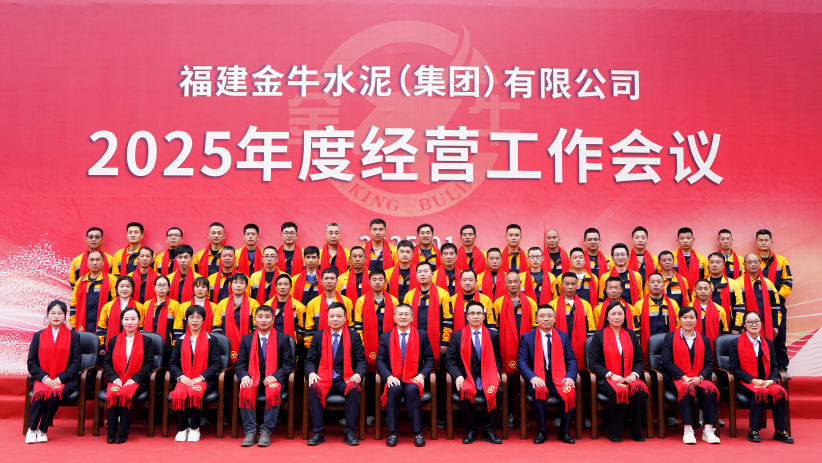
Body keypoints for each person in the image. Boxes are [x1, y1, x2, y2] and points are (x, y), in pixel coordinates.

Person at [305, 302, 366, 446]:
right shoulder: (318, 336)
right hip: (322, 377)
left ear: (345, 318)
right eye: (331, 316)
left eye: (339, 316)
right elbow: (309, 360)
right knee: (314, 388)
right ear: (327, 317)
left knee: (354, 389)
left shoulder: (354, 336)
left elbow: (361, 360)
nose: (335, 319)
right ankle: (318, 433)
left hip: (344, 379)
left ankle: (349, 432)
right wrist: (311, 373)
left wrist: (358, 373)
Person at [728, 311, 793, 443]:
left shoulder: (768, 343)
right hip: (745, 381)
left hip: (765, 381)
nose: (754, 324)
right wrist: (753, 380)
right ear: (744, 325)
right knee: (760, 392)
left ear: (761, 323)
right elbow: (734, 368)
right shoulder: (736, 342)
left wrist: (772, 380)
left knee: (779, 392)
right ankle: (753, 430)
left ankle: (780, 431)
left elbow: (774, 366)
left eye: (757, 321)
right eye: (750, 322)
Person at [587, 302, 648, 443]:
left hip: (628, 376)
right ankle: (614, 430)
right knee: (619, 391)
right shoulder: (599, 336)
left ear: (624, 317)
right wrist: (611, 375)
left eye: (620, 314)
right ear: (607, 317)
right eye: (613, 314)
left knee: (640, 391)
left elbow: (639, 361)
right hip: (607, 378)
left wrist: (634, 374)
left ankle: (636, 430)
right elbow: (593, 363)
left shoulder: (631, 335)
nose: (617, 317)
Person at [516, 304, 577, 444]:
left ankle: (564, 432)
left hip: (559, 378)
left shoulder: (563, 336)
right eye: (542, 316)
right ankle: (542, 431)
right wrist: (532, 377)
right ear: (536, 319)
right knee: (539, 391)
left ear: (554, 318)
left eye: (549, 316)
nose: (546, 319)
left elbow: (571, 359)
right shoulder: (527, 337)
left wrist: (570, 377)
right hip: (538, 377)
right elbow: (521, 362)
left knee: (569, 390)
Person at [376, 303, 435, 447]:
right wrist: (388, 376)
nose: (403, 317)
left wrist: (421, 376)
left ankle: (418, 432)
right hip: (394, 377)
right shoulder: (386, 336)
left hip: (414, 377)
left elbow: (430, 360)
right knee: (394, 389)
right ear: (394, 318)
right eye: (400, 314)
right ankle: (393, 432)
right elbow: (380, 360)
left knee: (412, 390)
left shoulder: (421, 335)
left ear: (412, 318)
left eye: (406, 314)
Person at [236, 305, 296, 447]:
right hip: (253, 378)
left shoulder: (283, 339)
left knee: (274, 389)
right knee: (245, 388)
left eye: (267, 317)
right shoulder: (247, 339)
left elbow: (288, 364)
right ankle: (250, 431)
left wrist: (276, 376)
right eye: (260, 317)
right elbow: (240, 363)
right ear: (255, 319)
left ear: (273, 320)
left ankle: (266, 430)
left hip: (273, 379)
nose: (263, 320)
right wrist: (244, 376)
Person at [660, 306, 720, 444]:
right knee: (686, 390)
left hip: (698, 378)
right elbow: (667, 361)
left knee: (711, 390)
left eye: (692, 317)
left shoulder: (704, 340)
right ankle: (688, 430)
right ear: (679, 320)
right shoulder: (669, 338)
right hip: (676, 379)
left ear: (696, 320)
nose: (688, 320)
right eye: (685, 317)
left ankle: (708, 430)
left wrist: (700, 377)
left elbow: (709, 363)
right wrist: (684, 377)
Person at [445, 301, 503, 444]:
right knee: (466, 392)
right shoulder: (457, 335)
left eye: (479, 313)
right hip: (466, 377)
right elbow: (450, 360)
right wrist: (458, 375)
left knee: (498, 392)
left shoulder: (493, 335)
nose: (475, 316)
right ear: (467, 316)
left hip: (487, 377)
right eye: (472, 313)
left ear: (484, 316)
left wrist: (496, 371)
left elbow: (497, 358)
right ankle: (471, 429)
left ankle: (488, 430)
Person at [403, 261, 452, 429]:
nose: (423, 274)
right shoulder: (409, 295)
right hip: (414, 345)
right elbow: (404, 320)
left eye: (426, 271)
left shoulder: (443, 294)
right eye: (420, 272)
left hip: (436, 345)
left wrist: (444, 342)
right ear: (416, 275)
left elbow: (448, 320)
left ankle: (438, 415)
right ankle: (420, 416)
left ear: (432, 275)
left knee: (438, 381)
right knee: (416, 377)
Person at [25, 300, 82, 443]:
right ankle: (32, 429)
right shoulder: (38, 336)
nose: (56, 316)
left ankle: (42, 430)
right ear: (47, 315)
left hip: (65, 380)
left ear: (65, 316)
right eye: (53, 313)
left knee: (54, 394)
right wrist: (44, 378)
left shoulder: (74, 337)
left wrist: (60, 378)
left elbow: (76, 363)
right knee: (40, 394)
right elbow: (31, 362)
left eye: (60, 313)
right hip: (43, 378)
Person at [168, 304, 222, 443]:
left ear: (203, 320)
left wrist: (201, 377)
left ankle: (194, 428)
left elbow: (217, 363)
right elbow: (172, 363)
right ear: (187, 319)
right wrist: (181, 377)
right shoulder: (180, 340)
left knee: (194, 391)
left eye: (199, 317)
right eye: (191, 317)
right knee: (179, 393)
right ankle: (182, 428)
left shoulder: (211, 339)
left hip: (205, 380)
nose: (195, 320)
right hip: (185, 378)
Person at [490, 271, 537, 427]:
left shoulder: (530, 302)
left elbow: (535, 327)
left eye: (516, 281)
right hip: (505, 348)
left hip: (527, 348)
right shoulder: (498, 303)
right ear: (504, 284)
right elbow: (494, 329)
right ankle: (510, 414)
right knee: (509, 384)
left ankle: (524, 415)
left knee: (526, 380)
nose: (513, 284)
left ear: (520, 283)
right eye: (509, 282)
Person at [102, 306, 155, 444]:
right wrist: (115, 378)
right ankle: (111, 433)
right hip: (117, 379)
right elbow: (107, 363)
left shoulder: (146, 341)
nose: (129, 322)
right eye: (126, 319)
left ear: (139, 321)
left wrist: (134, 379)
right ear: (121, 321)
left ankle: (123, 433)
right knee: (113, 393)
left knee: (127, 393)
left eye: (133, 319)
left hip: (137, 380)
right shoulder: (113, 340)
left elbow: (149, 364)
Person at [755, 230, 792, 372]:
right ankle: (760, 369)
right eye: (761, 240)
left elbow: (788, 283)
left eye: (766, 240)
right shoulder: (752, 261)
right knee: (757, 337)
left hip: (777, 306)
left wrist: (775, 299)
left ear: (771, 242)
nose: (763, 243)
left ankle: (782, 368)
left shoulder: (782, 261)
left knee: (779, 337)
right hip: (756, 305)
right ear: (756, 243)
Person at [548, 273, 596, 363]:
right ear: (561, 285)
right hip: (557, 344)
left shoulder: (585, 305)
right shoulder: (552, 305)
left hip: (580, 346)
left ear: (577, 285)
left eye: (573, 284)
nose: (570, 287)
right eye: (567, 284)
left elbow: (591, 330)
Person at [731, 254, 781, 339]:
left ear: (759, 264)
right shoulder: (737, 283)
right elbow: (735, 308)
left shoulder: (768, 283)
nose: (753, 264)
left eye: (755, 262)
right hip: (744, 326)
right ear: (744, 264)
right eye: (749, 262)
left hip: (766, 326)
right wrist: (739, 326)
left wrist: (775, 325)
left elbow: (775, 306)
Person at [215, 274, 260, 363]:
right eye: (235, 282)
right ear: (231, 285)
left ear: (246, 286)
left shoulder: (254, 304)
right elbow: (216, 327)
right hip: (228, 344)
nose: (238, 285)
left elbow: (257, 327)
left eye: (242, 283)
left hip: (249, 344)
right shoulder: (222, 304)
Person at [304, 269, 354, 348]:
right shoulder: (312, 304)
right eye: (326, 278)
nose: (329, 281)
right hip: (320, 347)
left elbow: (351, 327)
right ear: (321, 281)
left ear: (337, 281)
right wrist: (312, 348)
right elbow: (309, 330)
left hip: (343, 347)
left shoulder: (347, 302)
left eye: (332, 278)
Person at [69, 250, 117, 334]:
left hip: (104, 325)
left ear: (103, 262)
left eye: (98, 260)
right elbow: (74, 306)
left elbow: (115, 305)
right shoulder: (80, 282)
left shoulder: (112, 280)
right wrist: (74, 326)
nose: (94, 263)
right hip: (83, 325)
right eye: (91, 260)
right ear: (87, 263)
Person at [637, 273, 680, 360]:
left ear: (663, 285)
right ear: (648, 286)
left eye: (659, 282)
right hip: (648, 346)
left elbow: (679, 326)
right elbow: (636, 329)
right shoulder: (639, 305)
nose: (656, 284)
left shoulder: (673, 304)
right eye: (652, 282)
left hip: (670, 345)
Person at [96, 276, 143, 351]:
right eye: (121, 286)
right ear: (116, 289)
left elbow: (141, 328)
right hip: (112, 345)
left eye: (128, 286)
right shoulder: (107, 306)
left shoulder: (139, 307)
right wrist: (101, 346)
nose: (124, 289)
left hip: (133, 345)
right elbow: (101, 328)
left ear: (133, 289)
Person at [142, 275, 181, 364]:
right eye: (159, 285)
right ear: (154, 288)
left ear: (169, 288)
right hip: (147, 342)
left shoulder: (175, 305)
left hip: (167, 343)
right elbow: (142, 324)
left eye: (164, 285)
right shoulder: (146, 304)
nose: (161, 288)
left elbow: (177, 328)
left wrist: (175, 345)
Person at [264, 274, 307, 343]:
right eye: (280, 284)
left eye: (286, 284)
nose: (282, 287)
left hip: (291, 343)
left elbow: (302, 330)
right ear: (275, 287)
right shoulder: (267, 305)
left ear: (291, 287)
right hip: (270, 342)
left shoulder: (300, 307)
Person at [691, 279, 729, 350]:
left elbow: (724, 332)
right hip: (693, 346)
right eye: (700, 289)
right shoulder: (689, 309)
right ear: (695, 291)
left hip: (714, 346)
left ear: (711, 291)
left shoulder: (719, 309)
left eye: (706, 289)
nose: (703, 291)